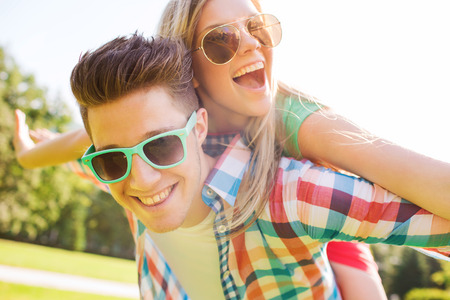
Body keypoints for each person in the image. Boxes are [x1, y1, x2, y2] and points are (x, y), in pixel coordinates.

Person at [13, 0, 450, 299]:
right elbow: (89, 144)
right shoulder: (137, 146)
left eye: (258, 27)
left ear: (195, 126)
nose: (251, 44)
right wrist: (31, 152)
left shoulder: (299, 144)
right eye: (220, 40)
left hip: (309, 216)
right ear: (188, 71)